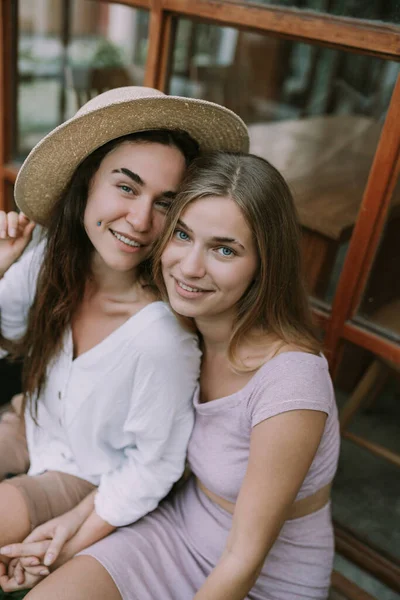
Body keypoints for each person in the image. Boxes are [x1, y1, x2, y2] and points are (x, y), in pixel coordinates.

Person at [7, 151, 340, 599]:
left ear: (265, 263)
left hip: (260, 579)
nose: (190, 266)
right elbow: (153, 460)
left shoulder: (291, 384)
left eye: (225, 249)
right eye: (183, 235)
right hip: (175, 527)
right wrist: (67, 535)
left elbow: (243, 561)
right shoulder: (191, 332)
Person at [0, 88, 249, 591]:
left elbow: (153, 468)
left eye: (166, 204)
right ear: (88, 182)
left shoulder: (160, 337)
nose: (140, 220)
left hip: (83, 475)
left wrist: (73, 534)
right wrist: (2, 266)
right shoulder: (51, 260)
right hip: (31, 422)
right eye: (127, 188)